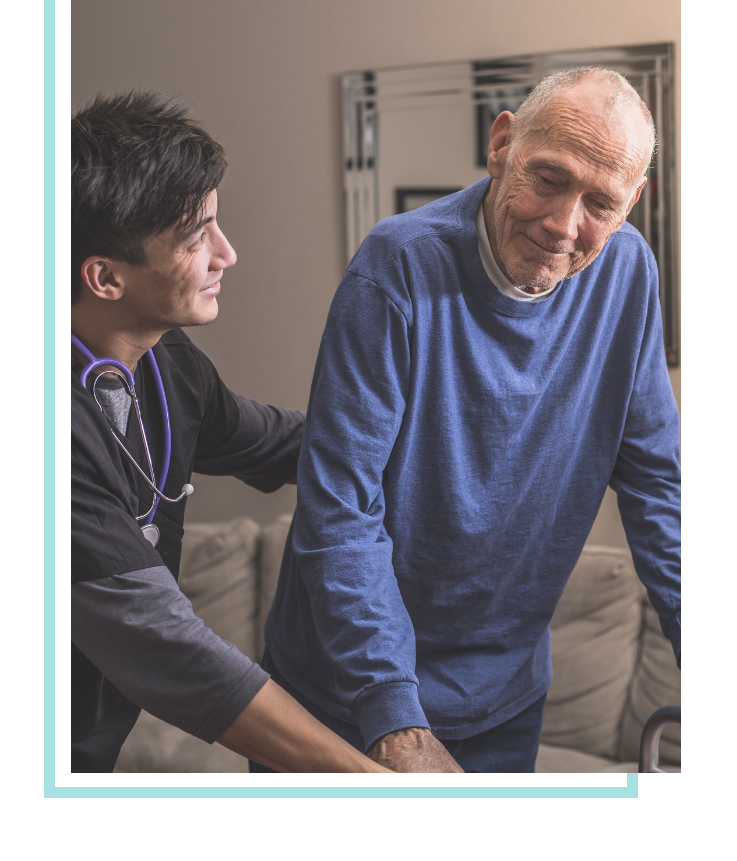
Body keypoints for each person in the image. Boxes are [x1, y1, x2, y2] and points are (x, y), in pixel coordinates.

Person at [253, 67, 681, 774]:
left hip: (502, 699)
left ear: (633, 201)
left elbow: (658, 485)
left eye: (600, 202)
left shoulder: (628, 274)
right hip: (342, 693)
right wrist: (393, 712)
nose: (562, 224)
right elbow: (339, 507)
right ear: (502, 142)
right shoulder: (396, 268)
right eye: (547, 178)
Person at [70, 91, 392, 775]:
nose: (228, 254)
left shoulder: (169, 365)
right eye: (196, 239)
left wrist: (445, 448)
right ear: (104, 277)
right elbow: (173, 650)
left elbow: (284, 443)